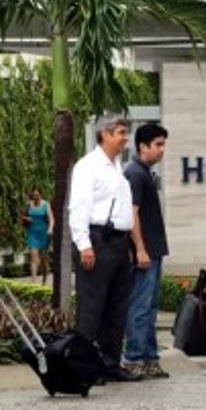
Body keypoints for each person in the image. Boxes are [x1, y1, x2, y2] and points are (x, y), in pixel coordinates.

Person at [68, 117, 142, 384]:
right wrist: (84, 245)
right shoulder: (88, 166)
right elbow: (79, 206)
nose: (125, 138)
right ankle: (84, 367)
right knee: (91, 308)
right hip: (97, 240)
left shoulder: (117, 167)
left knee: (117, 307)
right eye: (121, 133)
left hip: (119, 243)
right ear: (105, 134)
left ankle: (110, 363)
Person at [122, 122, 169, 380]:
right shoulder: (135, 174)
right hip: (145, 252)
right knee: (140, 306)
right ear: (143, 146)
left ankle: (150, 358)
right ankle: (133, 358)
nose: (162, 150)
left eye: (163, 144)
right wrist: (140, 249)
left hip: (154, 250)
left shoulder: (144, 173)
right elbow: (133, 214)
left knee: (150, 307)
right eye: (158, 144)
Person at [23, 188, 53, 285]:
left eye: (37, 195)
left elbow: (51, 219)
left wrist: (50, 229)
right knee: (33, 256)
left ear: (41, 195)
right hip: (32, 233)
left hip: (44, 233)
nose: (35, 197)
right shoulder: (28, 204)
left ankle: (44, 279)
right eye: (34, 195)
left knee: (43, 258)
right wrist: (26, 218)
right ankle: (34, 282)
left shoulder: (45, 204)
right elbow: (22, 216)